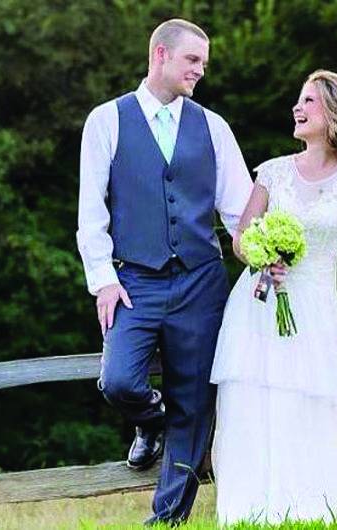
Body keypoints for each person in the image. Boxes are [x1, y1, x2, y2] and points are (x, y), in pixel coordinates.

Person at [75, 19, 252, 525]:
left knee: (194, 403)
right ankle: (149, 423)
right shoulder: (106, 120)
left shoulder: (213, 126)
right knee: (118, 381)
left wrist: (264, 254)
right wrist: (103, 278)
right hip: (134, 282)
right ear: (160, 54)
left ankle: (167, 520)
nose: (201, 69)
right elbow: (91, 212)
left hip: (201, 282)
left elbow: (238, 212)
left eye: (204, 62)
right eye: (193, 60)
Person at [210, 69, 337, 525]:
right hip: (259, 303)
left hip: (315, 306)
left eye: (309, 100)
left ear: (335, 112)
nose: (298, 107)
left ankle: (315, 509)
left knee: (310, 405)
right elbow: (240, 237)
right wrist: (260, 255)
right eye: (299, 99)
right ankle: (251, 512)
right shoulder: (273, 172)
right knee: (257, 405)